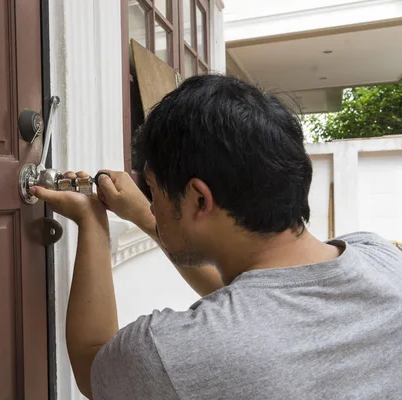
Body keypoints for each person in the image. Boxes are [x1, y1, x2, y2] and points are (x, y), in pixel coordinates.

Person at [29, 75, 402, 399]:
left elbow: (92, 363)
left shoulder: (172, 354)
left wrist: (92, 221)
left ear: (199, 199)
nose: (152, 206)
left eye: (154, 191)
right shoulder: (382, 258)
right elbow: (262, 305)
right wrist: (144, 214)